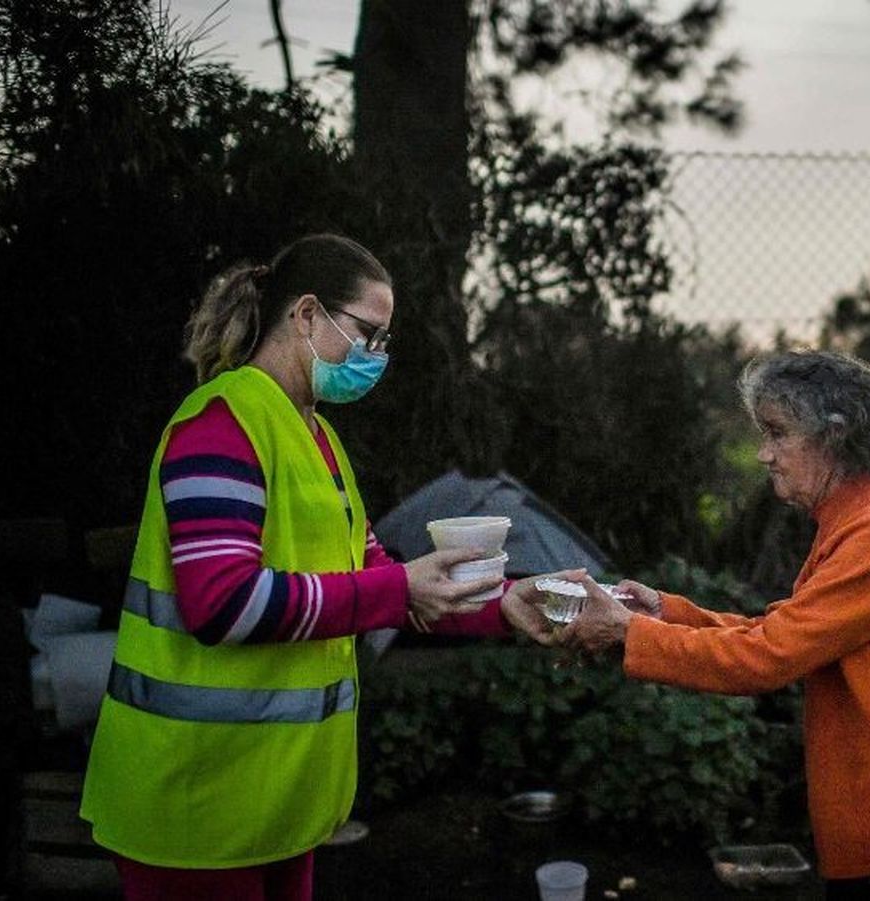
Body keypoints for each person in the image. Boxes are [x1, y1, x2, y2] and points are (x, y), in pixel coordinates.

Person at [81, 234, 558, 900]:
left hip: (280, 807)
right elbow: (223, 603)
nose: (375, 357)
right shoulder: (221, 424)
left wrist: (509, 601)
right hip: (194, 807)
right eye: (367, 333)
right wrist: (395, 586)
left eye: (384, 341)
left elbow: (383, 582)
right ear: (306, 315)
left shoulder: (318, 437)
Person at [513, 349, 870, 899]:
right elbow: (785, 632)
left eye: (778, 433)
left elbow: (769, 656)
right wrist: (660, 612)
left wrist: (630, 633)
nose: (763, 454)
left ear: (835, 434)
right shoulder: (859, 516)